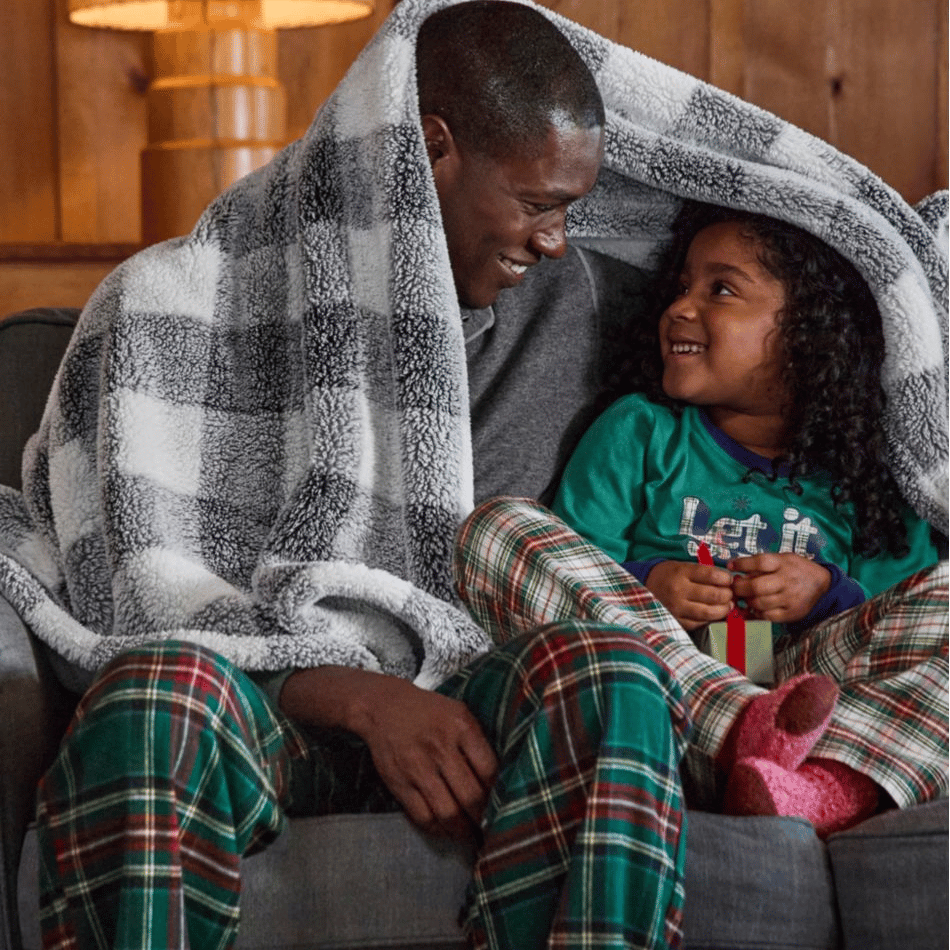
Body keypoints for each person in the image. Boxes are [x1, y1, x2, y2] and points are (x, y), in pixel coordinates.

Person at [15, 4, 689, 950]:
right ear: (433, 148)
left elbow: (781, 236)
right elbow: (139, 594)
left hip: (473, 705)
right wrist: (368, 701)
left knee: (612, 671)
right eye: (538, 204)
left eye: (573, 208)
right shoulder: (171, 306)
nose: (556, 241)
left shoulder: (576, 306)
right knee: (153, 694)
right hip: (258, 714)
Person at [454, 201, 947, 839]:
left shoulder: (866, 477)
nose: (680, 307)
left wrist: (827, 592)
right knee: (500, 529)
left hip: (815, 691)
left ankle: (826, 788)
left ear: (811, 332)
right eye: (681, 286)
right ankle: (743, 729)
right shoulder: (640, 430)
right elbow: (576, 566)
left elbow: (895, 616)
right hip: (662, 694)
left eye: (721, 289)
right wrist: (650, 581)